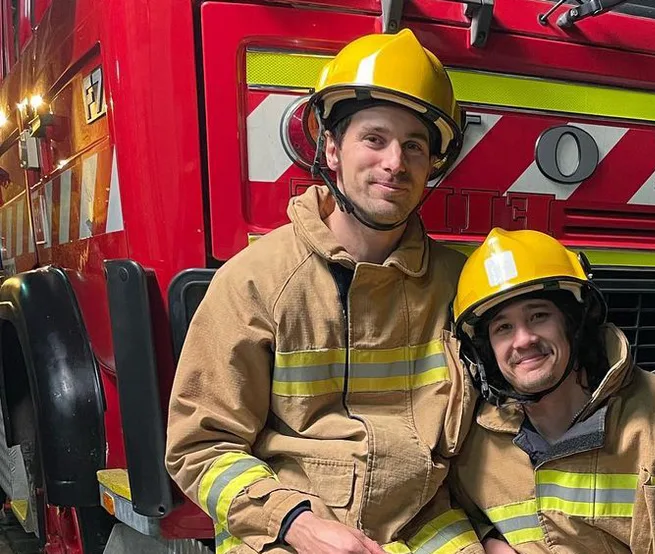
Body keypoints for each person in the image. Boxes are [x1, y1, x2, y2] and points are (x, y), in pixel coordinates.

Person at [166, 29, 484, 554]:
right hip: (291, 524)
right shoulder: (257, 281)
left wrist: (496, 535)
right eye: (375, 139)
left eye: (413, 146)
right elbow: (201, 446)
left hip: (427, 524)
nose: (395, 163)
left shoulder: (460, 284)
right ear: (332, 150)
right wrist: (298, 524)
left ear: (431, 165)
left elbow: (496, 431)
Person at [447, 228, 655, 554]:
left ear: (574, 323)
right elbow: (446, 514)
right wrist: (487, 541)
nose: (523, 340)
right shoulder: (474, 445)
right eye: (504, 327)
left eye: (538, 315)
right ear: (486, 351)